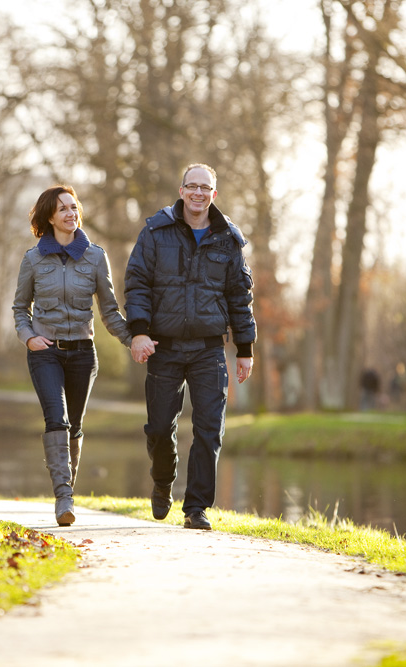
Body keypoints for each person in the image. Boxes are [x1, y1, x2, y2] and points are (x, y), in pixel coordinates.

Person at [124, 163, 256, 530]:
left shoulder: (228, 239)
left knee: (209, 428)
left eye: (205, 188)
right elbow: (136, 283)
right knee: (158, 428)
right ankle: (163, 481)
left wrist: (244, 348)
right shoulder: (155, 231)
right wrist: (138, 331)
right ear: (181, 191)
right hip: (163, 347)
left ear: (214, 195)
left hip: (208, 349)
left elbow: (239, 297)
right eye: (192, 186)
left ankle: (196, 508)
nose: (198, 193)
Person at [13, 185, 131, 526]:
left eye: (74, 207)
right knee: (57, 420)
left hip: (82, 353)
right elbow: (20, 307)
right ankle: (63, 498)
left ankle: (67, 493)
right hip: (45, 352)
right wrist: (28, 337)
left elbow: (109, 311)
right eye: (63, 209)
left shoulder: (95, 256)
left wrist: (134, 342)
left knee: (75, 426)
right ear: (50, 216)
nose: (71, 213)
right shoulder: (33, 259)